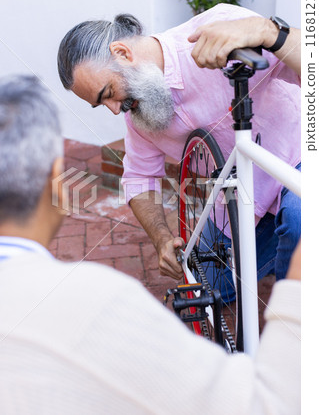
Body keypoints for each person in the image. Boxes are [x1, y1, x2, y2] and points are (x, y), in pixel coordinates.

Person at [0, 74, 300, 413]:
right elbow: (257, 406)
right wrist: (301, 288)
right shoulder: (97, 300)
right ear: (57, 181)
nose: (115, 111)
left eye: (108, 96)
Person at [57, 4, 301, 287]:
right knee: (203, 283)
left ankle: (291, 315)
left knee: (299, 219)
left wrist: (272, 33)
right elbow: (139, 177)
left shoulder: (218, 27)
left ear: (122, 53)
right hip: (241, 205)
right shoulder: (140, 114)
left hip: (298, 161)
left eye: (108, 93)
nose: (114, 110)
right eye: (101, 105)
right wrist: (161, 238)